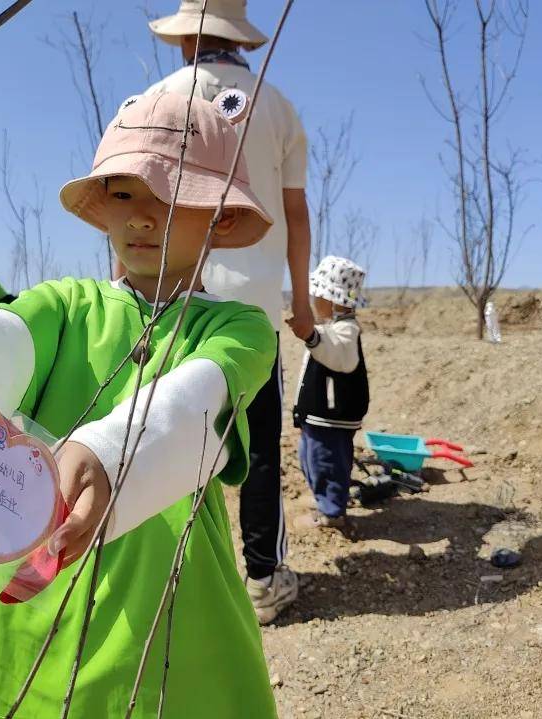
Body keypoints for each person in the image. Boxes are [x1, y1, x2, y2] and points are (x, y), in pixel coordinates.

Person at [0, 92, 278, 717]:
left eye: (169, 196)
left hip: (171, 595)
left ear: (221, 217)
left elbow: (201, 394)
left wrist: (106, 452)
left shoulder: (240, 328)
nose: (143, 218)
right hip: (36, 580)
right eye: (123, 195)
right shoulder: (66, 306)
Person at [142, 0, 312, 624]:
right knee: (261, 446)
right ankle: (263, 580)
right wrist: (299, 302)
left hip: (178, 303)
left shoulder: (157, 100)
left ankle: (184, 585)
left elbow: (134, 206)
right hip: (256, 312)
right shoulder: (278, 106)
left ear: (188, 40)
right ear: (236, 40)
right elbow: (295, 216)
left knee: (176, 440)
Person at [291, 256, 369, 531]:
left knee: (327, 463)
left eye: (318, 295)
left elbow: (341, 359)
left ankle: (332, 513)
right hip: (317, 416)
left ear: (335, 301)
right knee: (311, 459)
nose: (313, 300)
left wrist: (312, 336)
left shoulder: (346, 330)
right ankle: (324, 501)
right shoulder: (332, 329)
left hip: (331, 418)